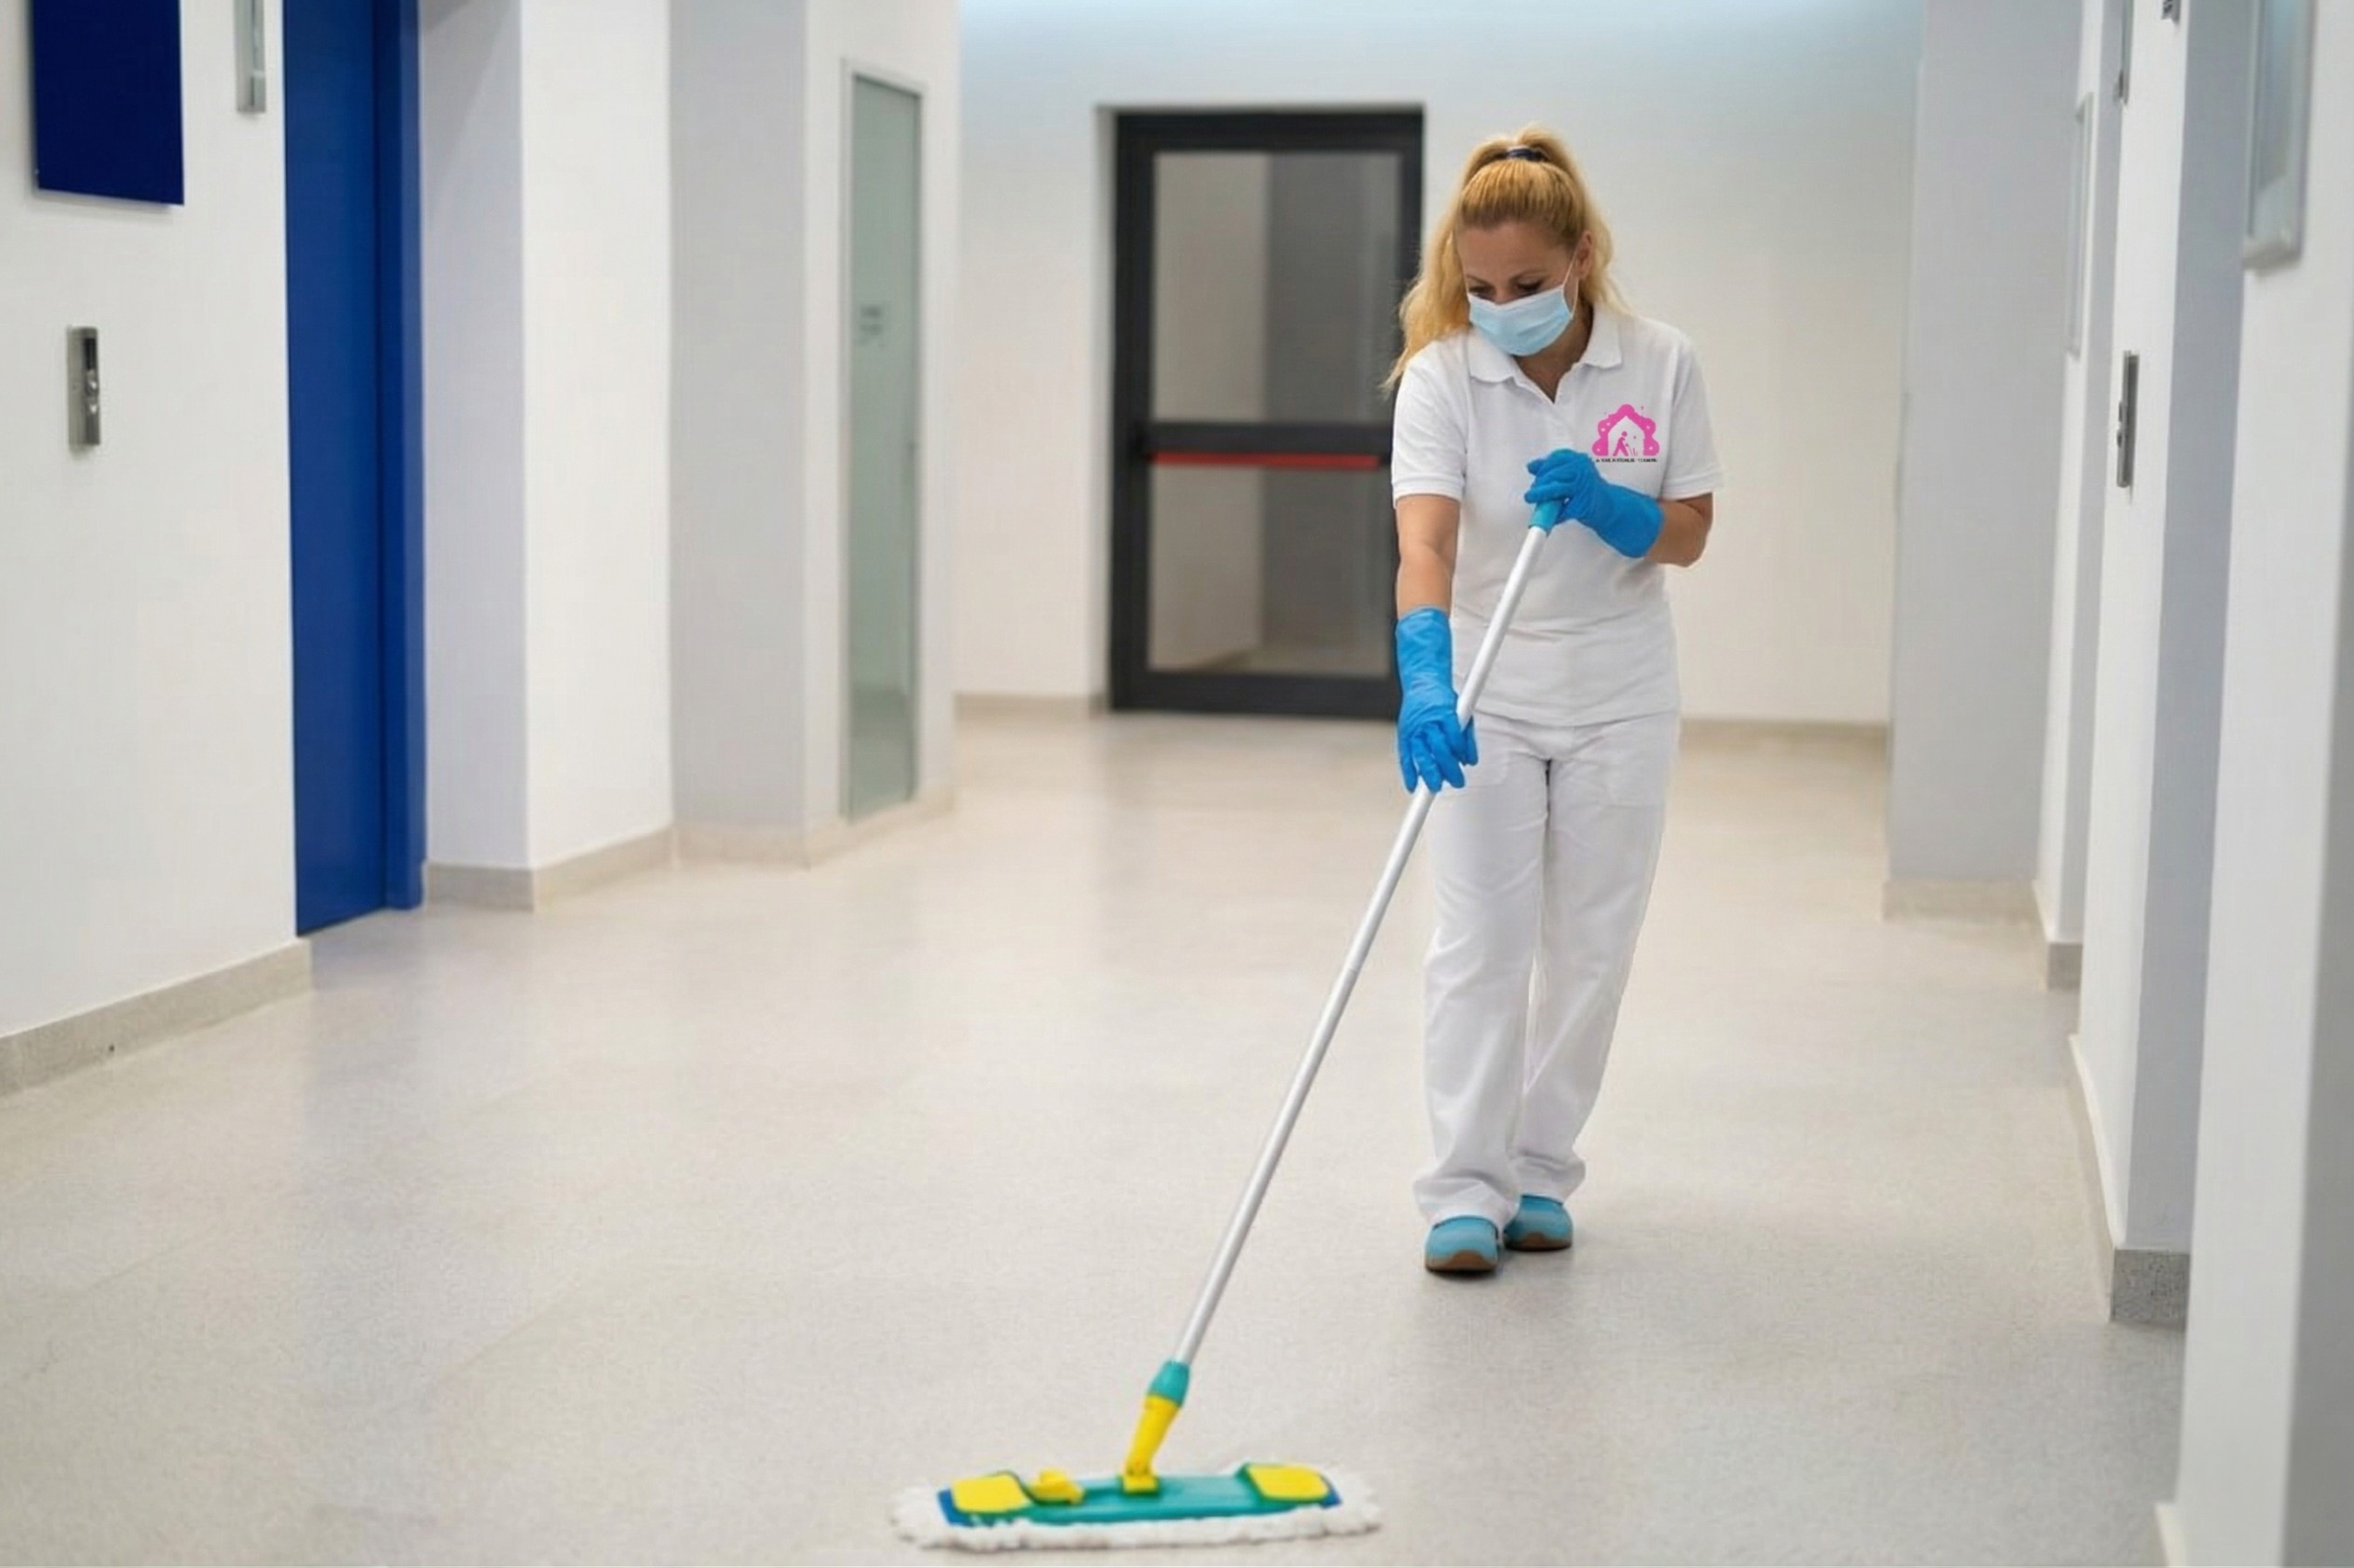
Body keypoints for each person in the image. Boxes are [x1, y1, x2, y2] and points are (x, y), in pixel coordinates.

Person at [1385, 126, 1721, 1276]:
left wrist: (1613, 511)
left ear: (1578, 257)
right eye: (1479, 289)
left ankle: (1538, 1171)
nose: (1502, 306)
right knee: (1479, 939)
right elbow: (1422, 540)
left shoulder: (1659, 361)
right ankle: (1460, 1190)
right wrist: (1425, 674)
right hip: (1486, 676)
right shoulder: (1440, 377)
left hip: (1620, 683)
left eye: (1526, 284)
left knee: (1589, 945)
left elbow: (1687, 533)